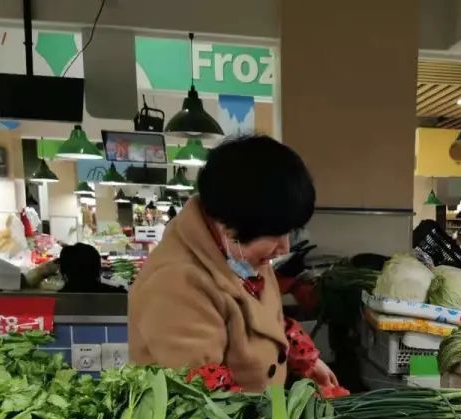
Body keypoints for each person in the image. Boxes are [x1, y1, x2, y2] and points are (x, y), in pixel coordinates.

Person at [128, 135, 338, 392]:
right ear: (230, 225)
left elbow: (268, 324)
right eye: (275, 234)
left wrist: (306, 361)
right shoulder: (174, 283)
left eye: (289, 233)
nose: (284, 247)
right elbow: (203, 393)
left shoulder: (242, 254)